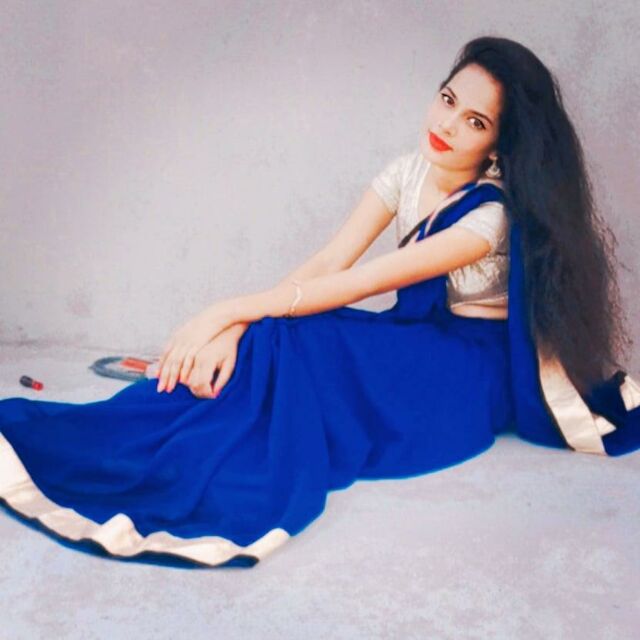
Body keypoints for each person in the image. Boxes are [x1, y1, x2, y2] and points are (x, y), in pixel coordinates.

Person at [1, 36, 639, 569]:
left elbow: (363, 282)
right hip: (418, 339)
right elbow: (331, 263)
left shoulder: (489, 216)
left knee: (301, 333)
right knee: (278, 334)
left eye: (475, 121)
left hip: (467, 374)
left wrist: (222, 311)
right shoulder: (407, 172)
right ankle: (130, 433)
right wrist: (240, 324)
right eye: (448, 100)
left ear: (497, 144)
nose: (447, 125)